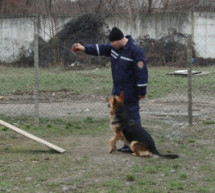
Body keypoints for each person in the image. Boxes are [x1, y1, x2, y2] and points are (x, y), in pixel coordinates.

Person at [73, 27, 148, 153]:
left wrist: (142, 91)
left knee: (133, 118)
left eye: (112, 42)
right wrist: (85, 48)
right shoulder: (114, 48)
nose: (111, 45)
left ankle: (137, 144)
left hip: (130, 91)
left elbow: (142, 73)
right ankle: (127, 144)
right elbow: (101, 49)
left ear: (119, 40)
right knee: (122, 120)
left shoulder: (135, 50)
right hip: (118, 90)